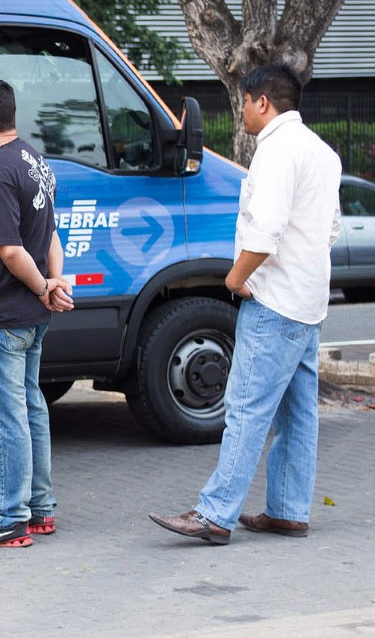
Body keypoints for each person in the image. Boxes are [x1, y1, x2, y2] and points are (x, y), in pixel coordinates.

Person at [150, 62, 341, 545]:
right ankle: (289, 510)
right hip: (308, 301)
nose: (241, 113)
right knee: (298, 415)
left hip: (274, 301)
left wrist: (235, 279)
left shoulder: (277, 152)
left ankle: (215, 515)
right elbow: (331, 230)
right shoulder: (322, 152)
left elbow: (267, 230)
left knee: (246, 409)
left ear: (262, 102)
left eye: (243, 103)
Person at [0, 77, 74, 550]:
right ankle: (39, 509)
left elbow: (8, 249)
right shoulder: (35, 161)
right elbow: (49, 236)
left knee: (5, 418)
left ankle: (7, 519)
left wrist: (46, 284)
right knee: (31, 411)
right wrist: (53, 284)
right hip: (29, 314)